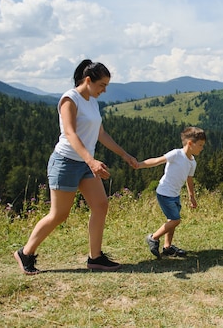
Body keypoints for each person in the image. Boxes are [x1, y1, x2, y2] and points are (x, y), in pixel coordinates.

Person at [13, 60, 138, 275]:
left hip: (85, 163)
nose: (104, 90)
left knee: (100, 205)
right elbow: (70, 134)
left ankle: (95, 257)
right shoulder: (70, 99)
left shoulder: (92, 101)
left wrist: (124, 154)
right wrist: (91, 161)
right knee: (59, 214)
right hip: (66, 162)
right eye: (102, 85)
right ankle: (26, 252)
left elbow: (101, 134)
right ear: (88, 80)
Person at [139, 127, 206, 259]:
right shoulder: (176, 154)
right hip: (164, 193)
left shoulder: (192, 162)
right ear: (190, 144)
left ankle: (167, 247)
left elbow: (189, 179)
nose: (202, 148)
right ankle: (153, 238)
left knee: (172, 219)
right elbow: (157, 161)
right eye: (200, 145)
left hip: (175, 194)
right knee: (175, 220)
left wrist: (192, 197)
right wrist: (139, 164)